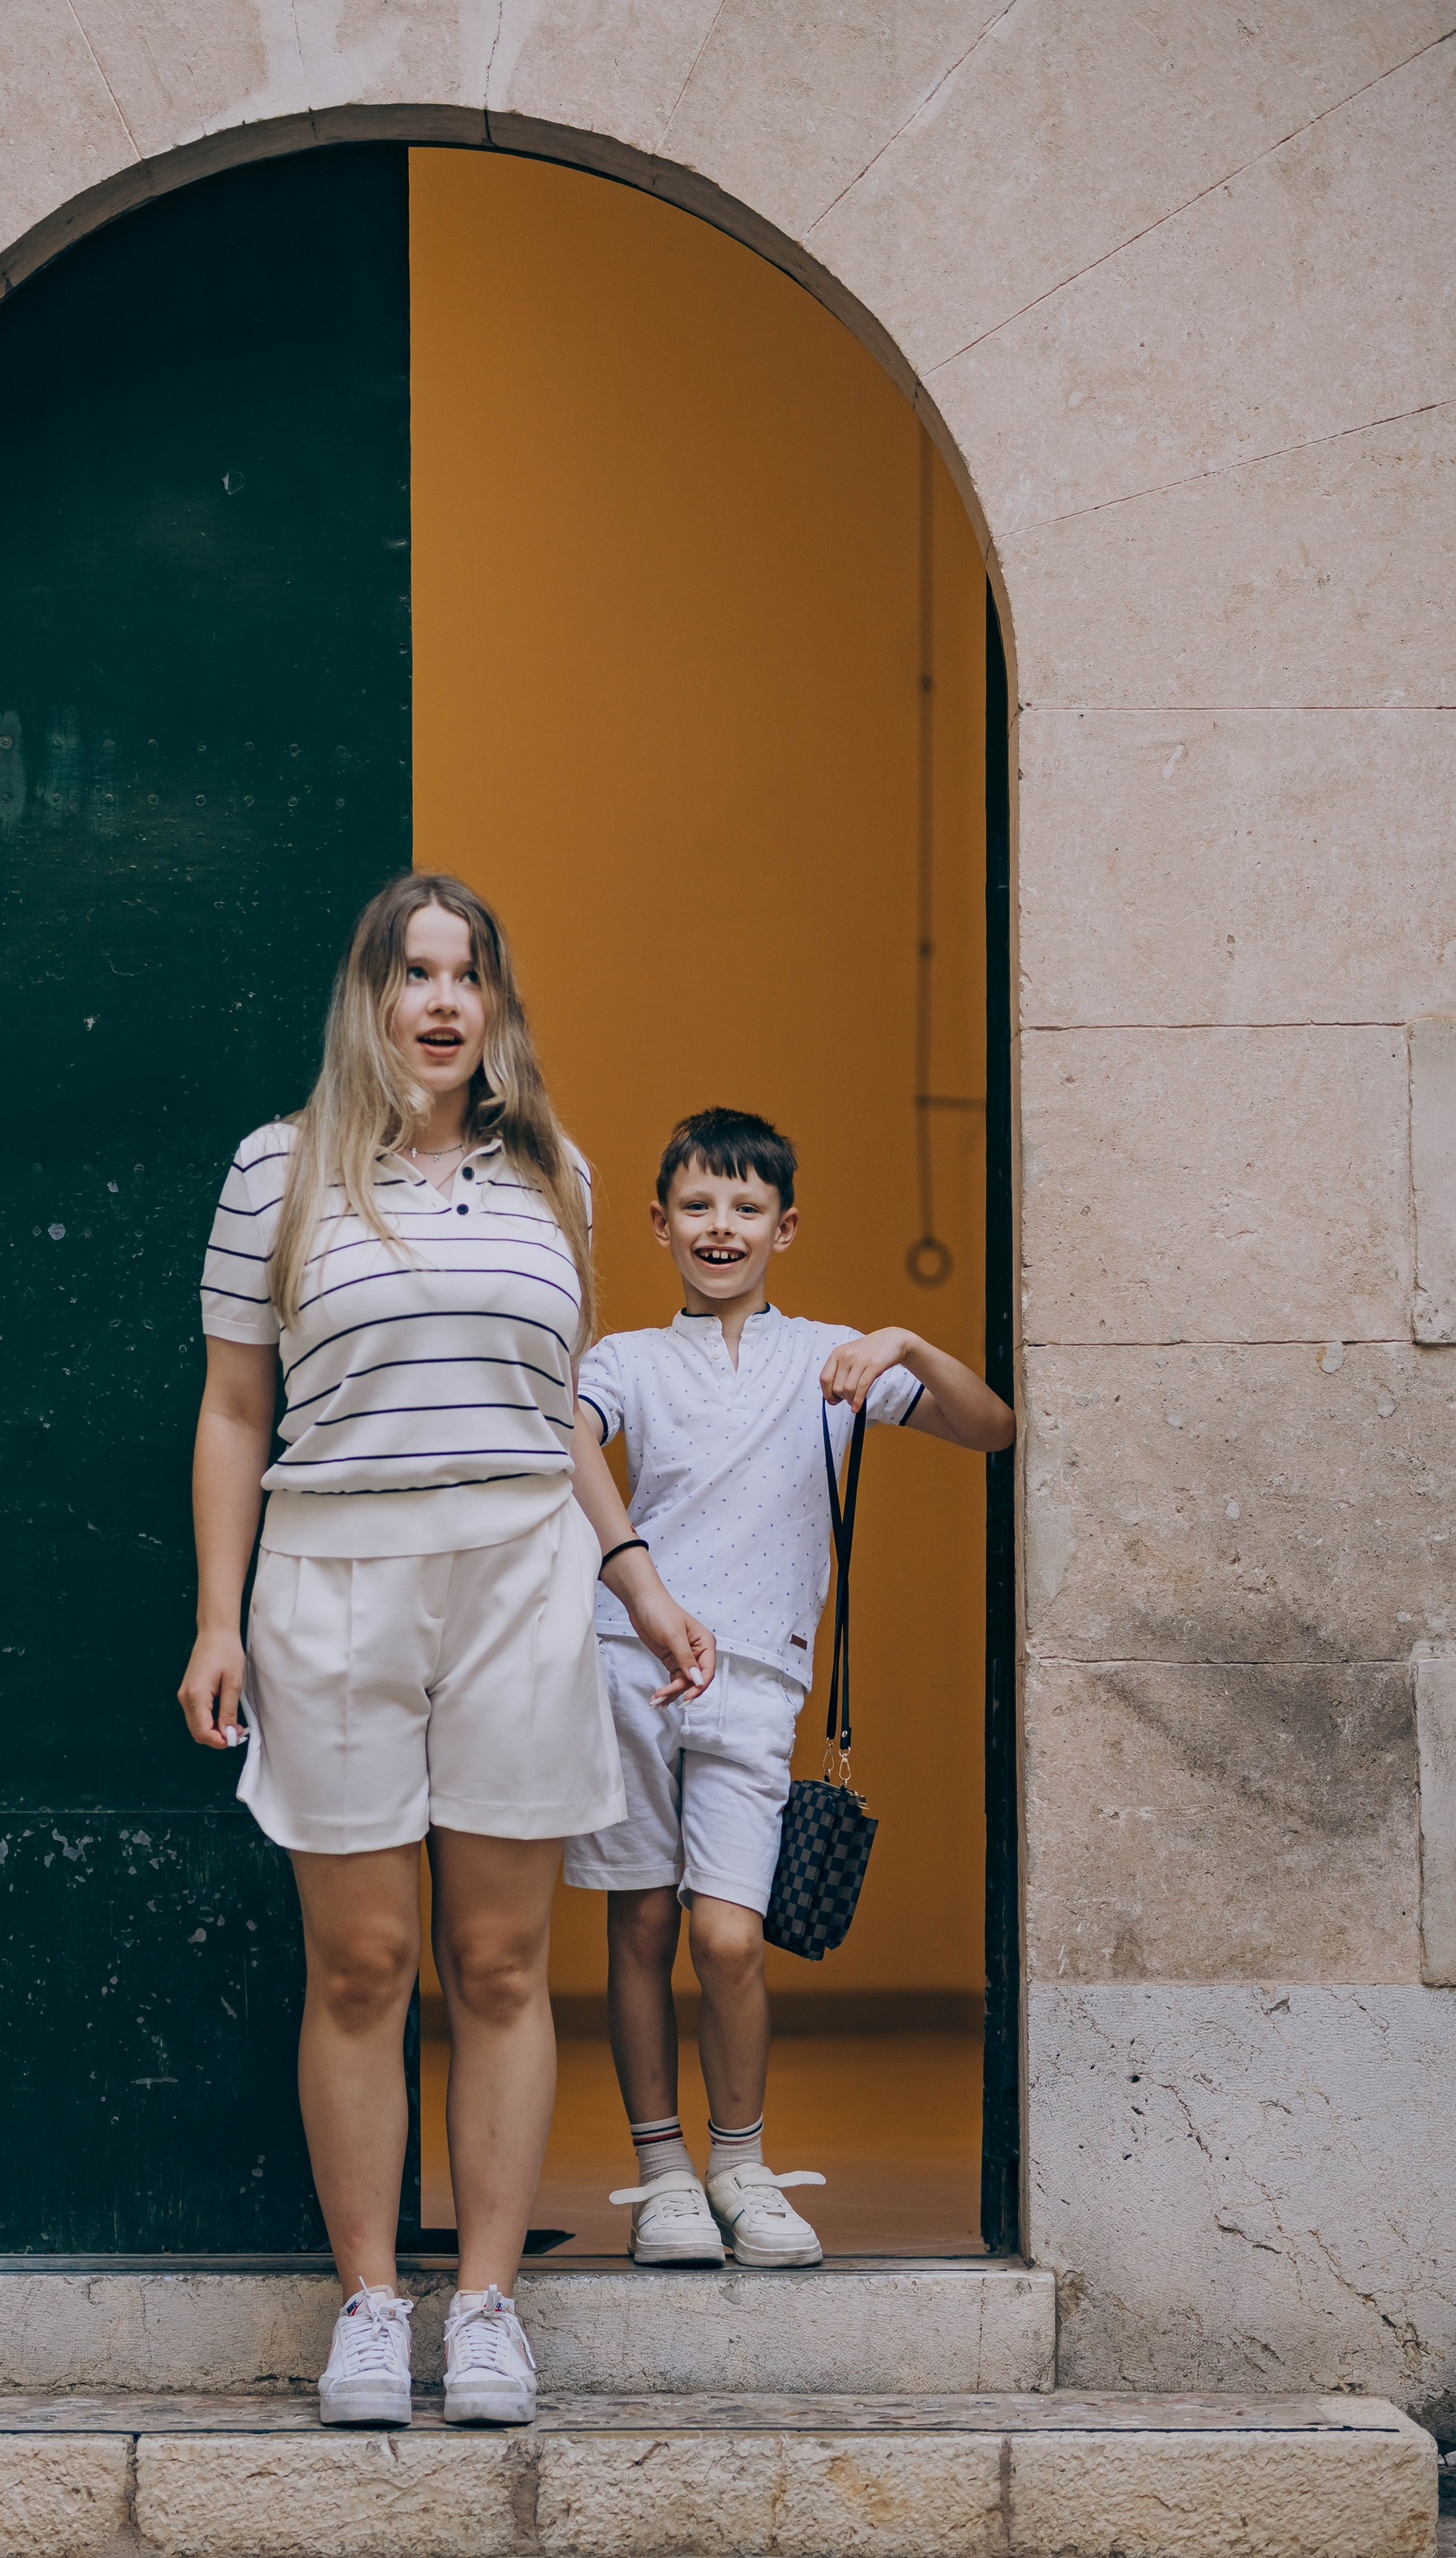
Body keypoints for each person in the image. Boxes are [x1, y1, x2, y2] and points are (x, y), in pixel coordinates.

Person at [176, 873, 715, 2426]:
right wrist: (219, 1618)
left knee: (494, 1960)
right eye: (411, 974)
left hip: (518, 1575)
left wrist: (635, 1579)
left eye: (463, 976)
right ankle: (366, 2306)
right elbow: (231, 1408)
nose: (438, 1003)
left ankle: (482, 2306)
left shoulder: (561, 1179)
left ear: (491, 1006)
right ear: (369, 1000)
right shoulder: (275, 1173)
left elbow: (554, 1421)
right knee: (362, 1961)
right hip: (334, 1568)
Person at [563, 1106, 1015, 2270]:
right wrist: (634, 1575)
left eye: (747, 1208)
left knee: (728, 1939)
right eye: (700, 1207)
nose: (723, 1227)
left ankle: (742, 2166)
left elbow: (992, 1427)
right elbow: (559, 1428)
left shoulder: (834, 1358)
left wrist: (903, 1343)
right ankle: (662, 2176)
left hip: (759, 1684)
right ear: (661, 1224)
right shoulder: (626, 1362)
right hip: (630, 1666)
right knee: (643, 1922)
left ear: (785, 1227)